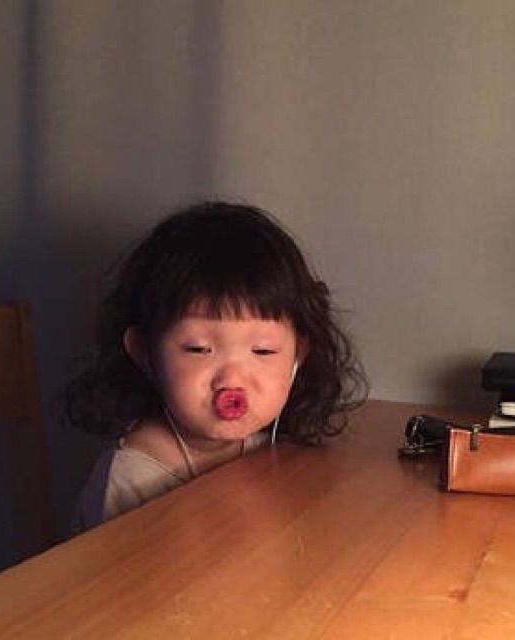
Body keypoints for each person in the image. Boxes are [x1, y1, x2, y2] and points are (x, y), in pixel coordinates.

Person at [66, 201, 368, 531]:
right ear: (145, 353)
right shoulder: (131, 478)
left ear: (299, 354)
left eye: (263, 350)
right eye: (199, 349)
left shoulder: (267, 449)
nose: (232, 377)